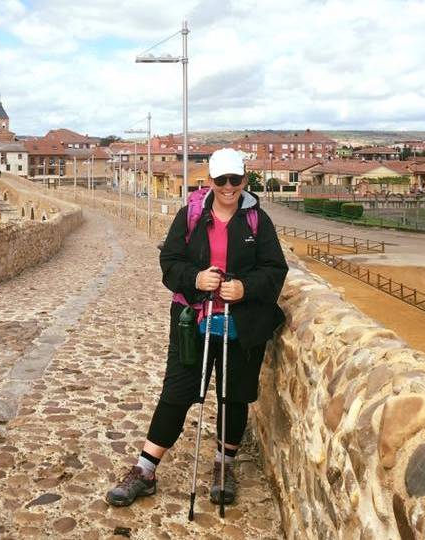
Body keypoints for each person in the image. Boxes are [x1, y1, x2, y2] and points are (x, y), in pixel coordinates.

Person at [106, 148, 288, 508]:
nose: (228, 187)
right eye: (221, 180)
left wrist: (245, 288)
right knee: (176, 393)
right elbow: (169, 263)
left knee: (233, 397)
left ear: (244, 180)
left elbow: (275, 269)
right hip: (194, 323)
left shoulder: (257, 221)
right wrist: (196, 278)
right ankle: (145, 470)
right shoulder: (190, 215)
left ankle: (224, 467)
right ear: (210, 181)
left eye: (235, 180)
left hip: (241, 325)